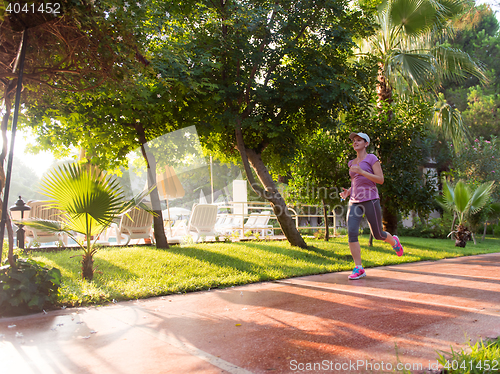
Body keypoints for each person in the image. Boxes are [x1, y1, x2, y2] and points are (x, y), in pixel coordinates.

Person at [339, 132, 403, 280]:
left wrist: (362, 171)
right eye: (354, 140)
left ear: (366, 143)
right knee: (352, 232)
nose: (355, 142)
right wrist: (348, 192)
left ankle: (394, 241)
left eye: (359, 140)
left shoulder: (372, 159)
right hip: (354, 201)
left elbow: (380, 180)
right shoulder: (351, 162)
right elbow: (355, 181)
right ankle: (359, 268)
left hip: (371, 199)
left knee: (378, 234)